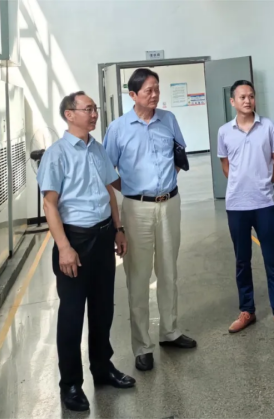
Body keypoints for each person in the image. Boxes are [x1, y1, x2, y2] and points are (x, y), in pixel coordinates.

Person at [37, 92, 135, 412]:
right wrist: (64, 247)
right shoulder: (57, 154)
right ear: (70, 114)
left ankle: (103, 368)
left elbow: (109, 190)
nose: (94, 114)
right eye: (88, 109)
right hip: (75, 241)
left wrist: (118, 229)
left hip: (104, 236)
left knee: (103, 309)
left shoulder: (97, 148)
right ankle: (70, 384)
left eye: (95, 109)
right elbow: (49, 204)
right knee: (72, 314)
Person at [103, 68, 195, 372]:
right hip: (136, 209)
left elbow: (178, 156)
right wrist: (132, 190)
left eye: (157, 89)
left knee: (169, 271)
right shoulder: (118, 129)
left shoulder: (168, 120)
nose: (155, 95)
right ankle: (142, 346)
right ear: (133, 95)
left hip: (169, 204)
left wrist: (165, 184)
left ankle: (170, 332)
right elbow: (107, 173)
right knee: (139, 277)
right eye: (148, 91)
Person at [217, 80, 274, 334]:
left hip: (264, 204)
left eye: (251, 96)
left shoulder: (268, 127)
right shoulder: (224, 132)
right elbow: (226, 166)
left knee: (272, 258)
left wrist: (264, 184)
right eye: (242, 97)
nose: (247, 100)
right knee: (242, 261)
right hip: (236, 205)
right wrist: (241, 185)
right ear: (233, 101)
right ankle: (247, 311)